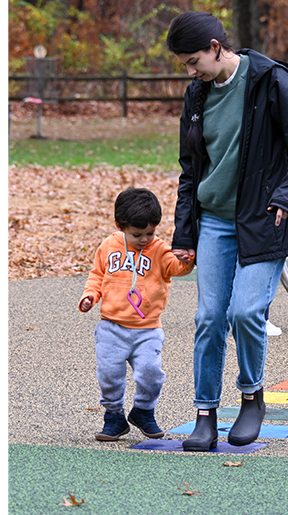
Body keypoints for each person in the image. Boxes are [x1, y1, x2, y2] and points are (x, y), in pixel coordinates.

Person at [166, 11, 288, 451]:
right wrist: (184, 233)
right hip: (214, 219)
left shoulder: (269, 79)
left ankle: (252, 398)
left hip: (265, 217)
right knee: (209, 318)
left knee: (246, 313)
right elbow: (190, 167)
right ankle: (205, 415)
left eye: (194, 60)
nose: (191, 72)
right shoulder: (196, 95)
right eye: (185, 65)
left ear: (217, 47)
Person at [79, 188, 194, 442]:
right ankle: (114, 417)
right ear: (120, 226)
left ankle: (143, 410)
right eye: (137, 234)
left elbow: (176, 268)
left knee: (151, 373)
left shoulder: (159, 249)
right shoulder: (109, 246)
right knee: (109, 375)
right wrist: (90, 296)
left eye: (150, 233)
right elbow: (97, 275)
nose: (144, 239)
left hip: (148, 329)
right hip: (112, 326)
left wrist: (186, 260)